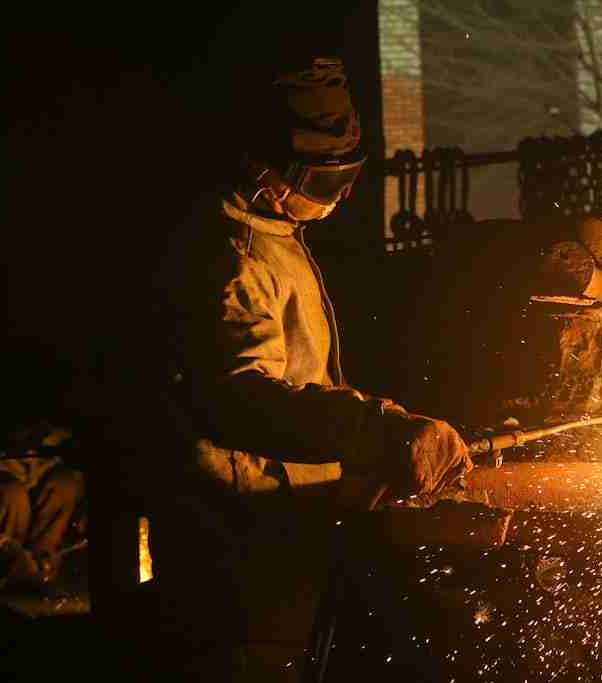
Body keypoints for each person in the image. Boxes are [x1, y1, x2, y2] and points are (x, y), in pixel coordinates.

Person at [136, 55, 473, 679]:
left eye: (348, 174)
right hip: (238, 541)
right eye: (321, 180)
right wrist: (381, 431)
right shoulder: (233, 258)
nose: (341, 194)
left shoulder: (271, 235)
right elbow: (241, 397)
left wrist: (366, 449)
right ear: (263, 169)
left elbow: (304, 383)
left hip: (281, 523)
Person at [0, 419, 85, 602]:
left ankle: (39, 574)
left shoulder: (53, 439)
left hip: (29, 537)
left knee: (64, 483)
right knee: (11, 494)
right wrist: (4, 548)